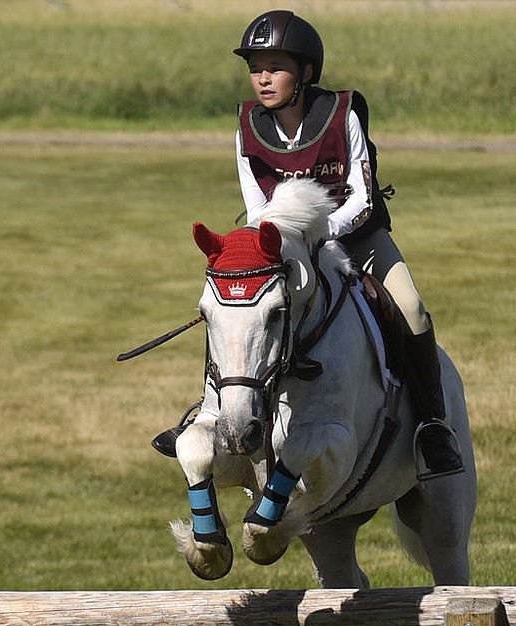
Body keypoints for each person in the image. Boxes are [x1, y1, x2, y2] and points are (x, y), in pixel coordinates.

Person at [154, 9, 464, 480]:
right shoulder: (248, 127)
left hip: (357, 238)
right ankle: (207, 409)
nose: (263, 78)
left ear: (306, 72)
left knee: (413, 309)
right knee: (239, 310)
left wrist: (320, 236)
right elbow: (257, 209)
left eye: (275, 67)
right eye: (255, 68)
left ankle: (432, 424)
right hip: (286, 250)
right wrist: (285, 247)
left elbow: (361, 198)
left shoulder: (342, 116)